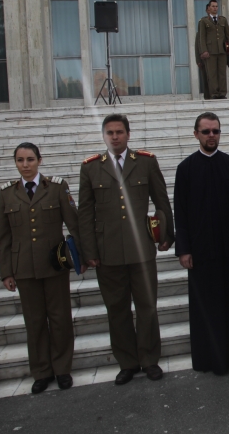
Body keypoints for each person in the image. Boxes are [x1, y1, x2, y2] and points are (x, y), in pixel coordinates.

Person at [78, 115, 175, 385]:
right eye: (109, 132)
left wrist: (166, 235)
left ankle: (149, 359)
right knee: (116, 309)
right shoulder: (90, 168)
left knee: (147, 307)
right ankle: (127, 362)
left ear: (128, 134)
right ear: (103, 136)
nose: (115, 137)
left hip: (141, 248)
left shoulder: (145, 162)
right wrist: (89, 250)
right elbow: (85, 213)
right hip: (107, 251)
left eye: (119, 132)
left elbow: (161, 200)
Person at [174, 112, 229, 374]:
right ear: (196, 133)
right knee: (206, 306)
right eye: (206, 131)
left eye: (215, 131)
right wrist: (184, 249)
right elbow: (181, 212)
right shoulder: (185, 169)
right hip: (201, 252)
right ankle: (210, 359)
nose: (211, 136)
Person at [0, 142, 82, 394]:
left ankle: (62, 368)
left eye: (30, 159)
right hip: (23, 267)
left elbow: (74, 225)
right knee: (34, 322)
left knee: (60, 318)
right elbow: (3, 236)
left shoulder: (57, 187)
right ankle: (41, 371)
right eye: (20, 160)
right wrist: (6, 272)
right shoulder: (7, 194)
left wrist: (82, 257)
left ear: (39, 161)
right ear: (15, 163)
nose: (25, 165)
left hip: (54, 264)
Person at [198, 0, 229, 100]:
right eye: (213, 6)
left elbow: (228, 35)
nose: (215, 8)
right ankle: (214, 93)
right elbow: (202, 37)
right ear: (209, 8)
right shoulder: (204, 21)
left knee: (222, 72)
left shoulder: (223, 20)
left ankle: (222, 93)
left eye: (216, 6)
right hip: (210, 51)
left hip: (222, 50)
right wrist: (204, 50)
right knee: (212, 73)